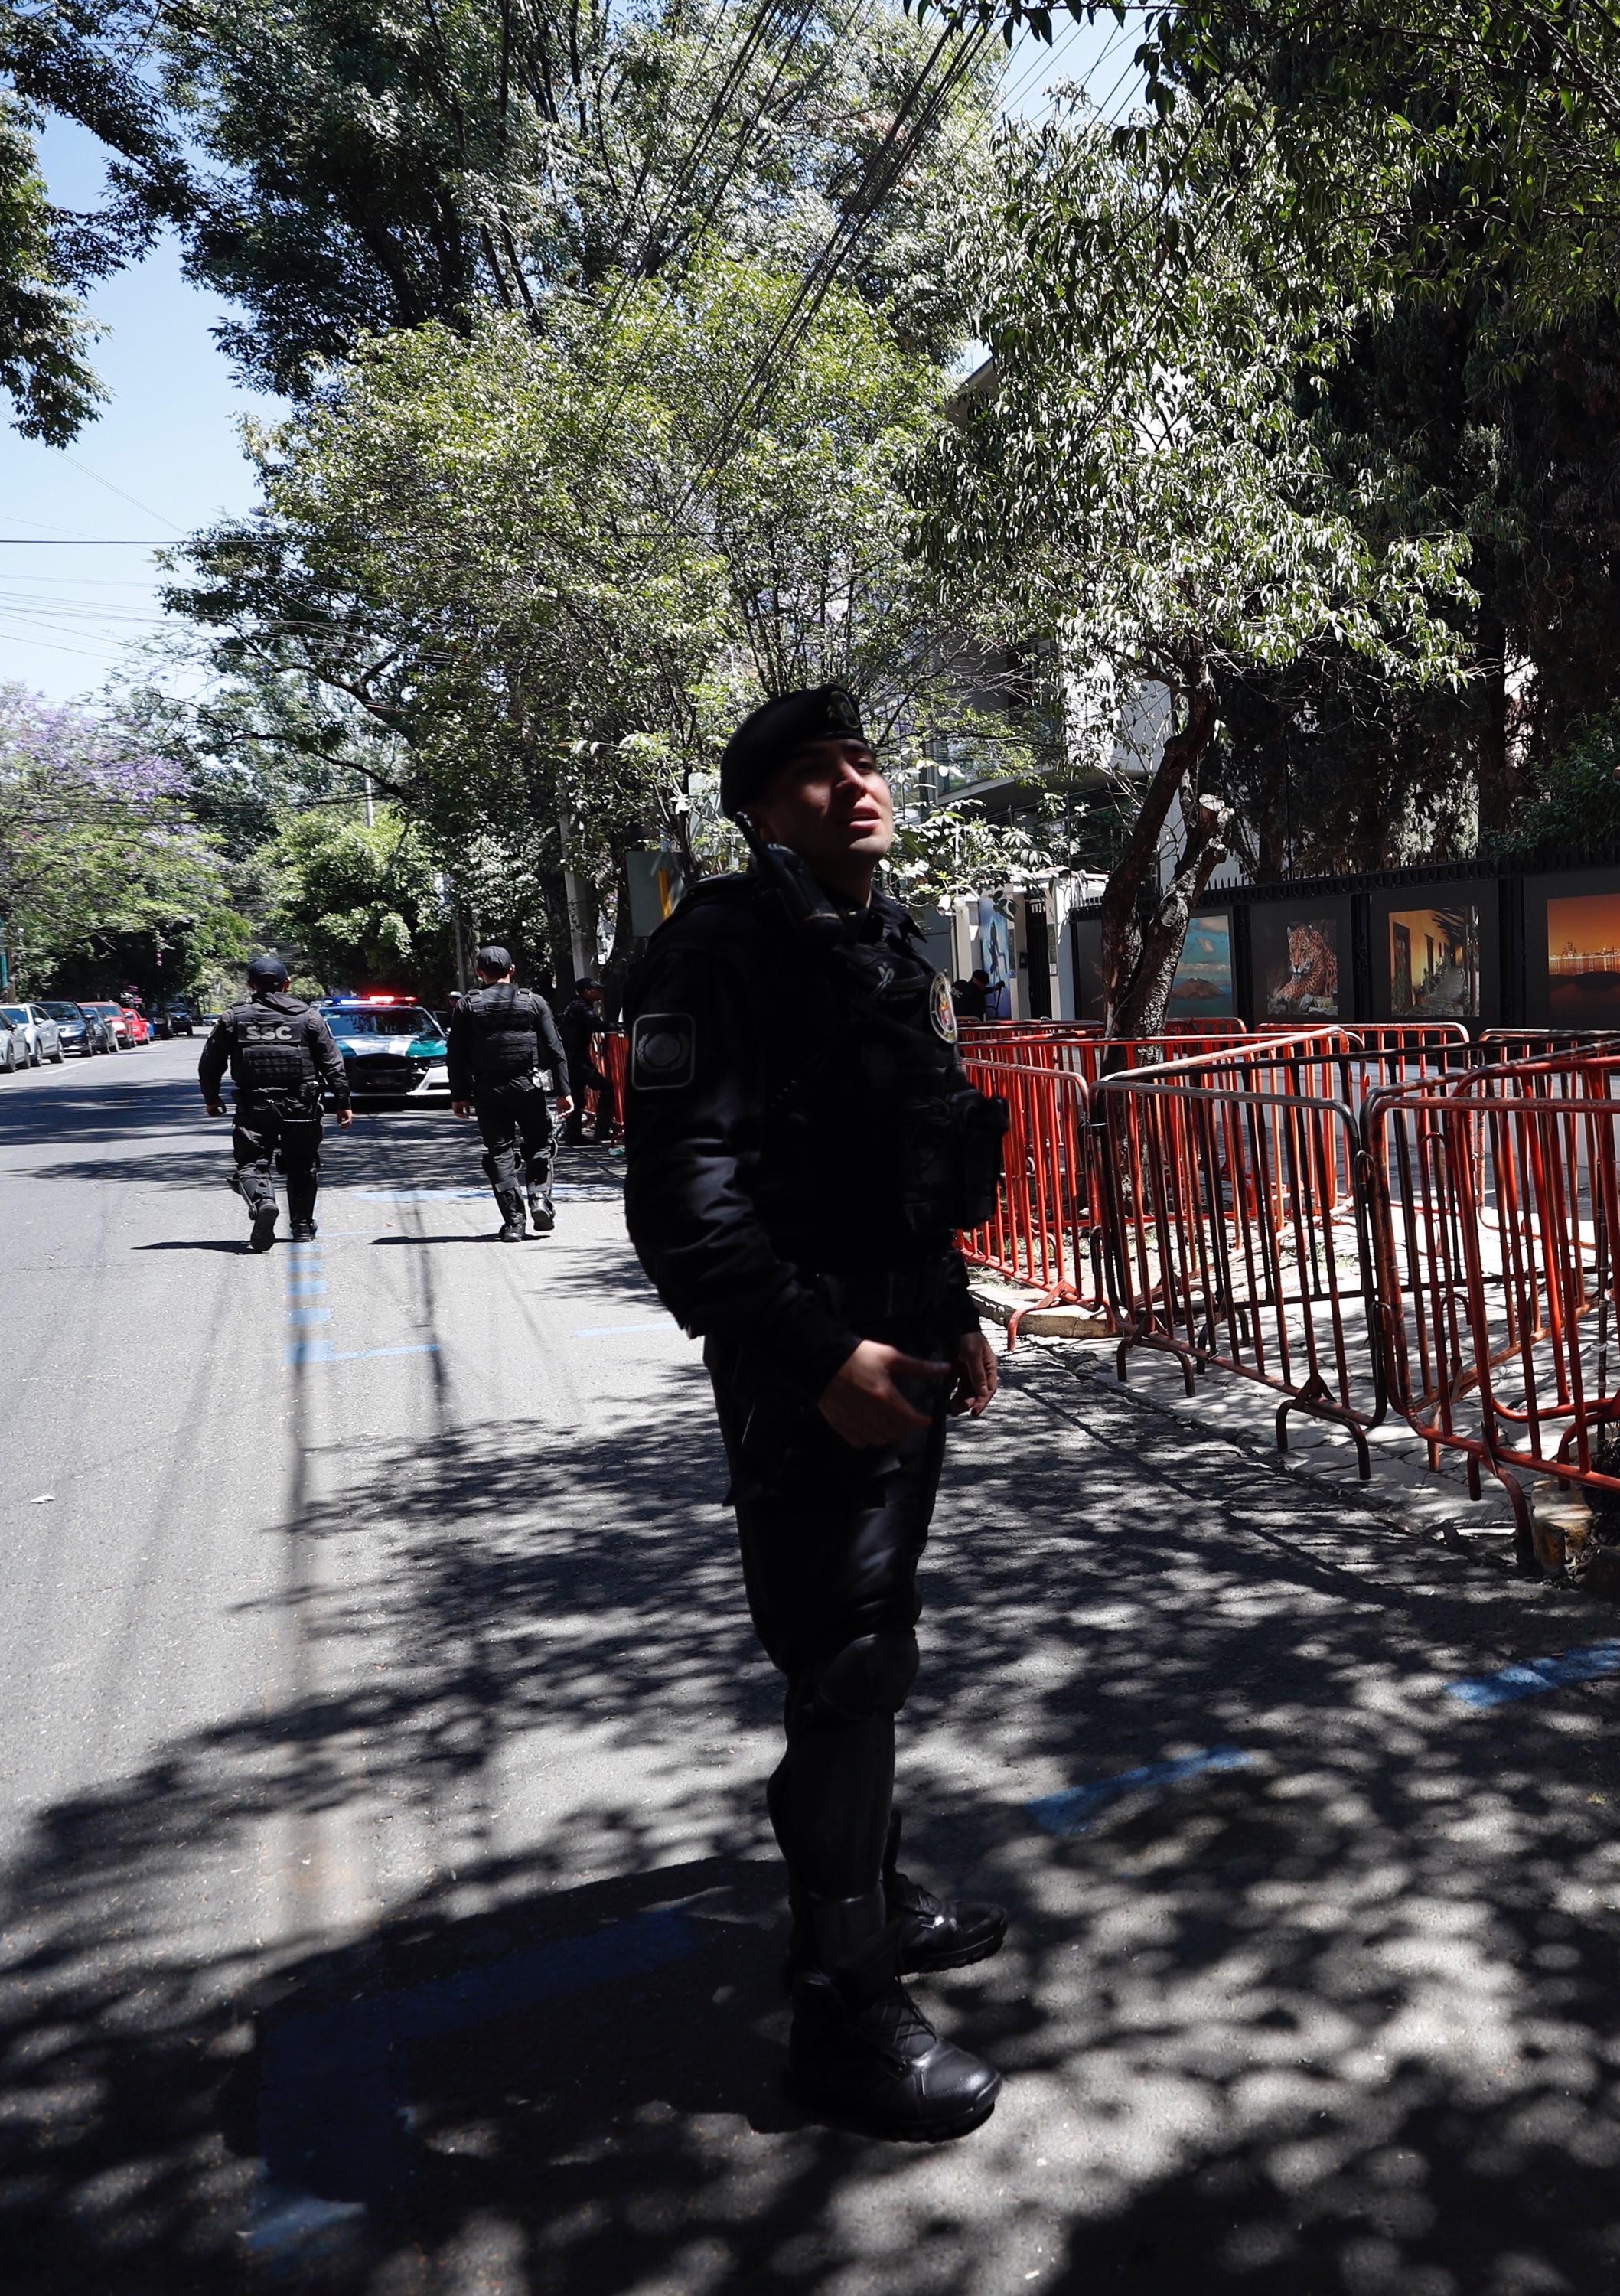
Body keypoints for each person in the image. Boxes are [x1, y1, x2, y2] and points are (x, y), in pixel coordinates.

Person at [623, 684, 1014, 2141]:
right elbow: (679, 1201)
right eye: (814, 776)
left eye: (864, 764)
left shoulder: (885, 938)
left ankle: (878, 1894)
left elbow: (909, 1145)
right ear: (759, 806)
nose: (856, 788)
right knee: (843, 1661)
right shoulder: (723, 949)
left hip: (900, 1327)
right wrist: (815, 1355)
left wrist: (952, 1306)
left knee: (875, 1643)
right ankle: (841, 2017)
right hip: (811, 1361)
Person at [198, 951, 350, 1251]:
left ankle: (263, 1200)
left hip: (255, 1106)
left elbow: (210, 1063)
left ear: (250, 985)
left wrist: (212, 1098)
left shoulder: (233, 1017)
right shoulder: (308, 1016)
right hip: (301, 1105)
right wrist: (343, 1101)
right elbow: (332, 1062)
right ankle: (303, 1227)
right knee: (303, 1164)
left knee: (252, 1163)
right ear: (287, 984)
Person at [446, 946, 572, 1241]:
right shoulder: (533, 1002)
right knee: (540, 1144)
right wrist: (564, 1091)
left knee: (500, 1153)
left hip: (488, 1090)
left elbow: (456, 1054)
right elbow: (556, 1049)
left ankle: (514, 1223)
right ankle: (540, 1198)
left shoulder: (467, 1005)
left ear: (479, 973)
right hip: (529, 1087)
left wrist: (459, 1095)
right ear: (511, 969)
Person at [558, 979, 615, 1147]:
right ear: (587, 992)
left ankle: (573, 1135)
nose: (600, 992)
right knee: (606, 1088)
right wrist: (621, 1026)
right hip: (576, 1059)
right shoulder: (581, 1008)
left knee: (576, 1096)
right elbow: (597, 1025)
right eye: (597, 989)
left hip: (571, 1058)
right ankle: (602, 1132)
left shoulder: (576, 1006)